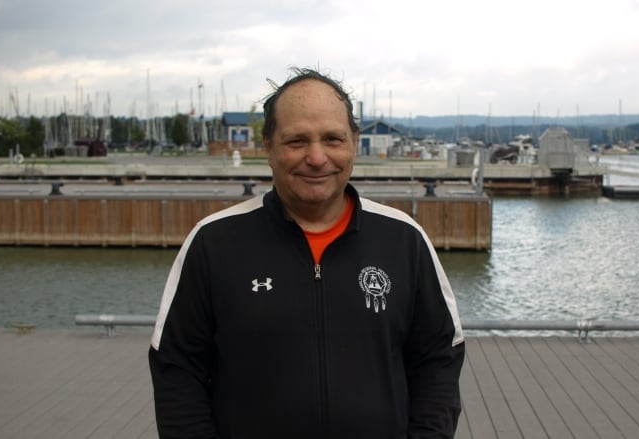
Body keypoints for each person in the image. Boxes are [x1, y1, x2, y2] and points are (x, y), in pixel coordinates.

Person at [149, 67, 465, 438]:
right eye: (297, 141)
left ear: (353, 142)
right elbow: (177, 370)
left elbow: (439, 359)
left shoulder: (404, 240)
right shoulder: (213, 243)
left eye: (332, 139)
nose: (317, 158)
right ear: (268, 147)